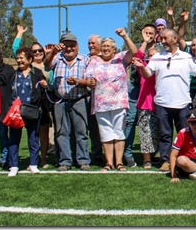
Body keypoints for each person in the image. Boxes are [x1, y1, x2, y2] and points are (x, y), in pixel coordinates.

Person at [132, 28, 196, 172]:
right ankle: (166, 160)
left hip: (182, 103)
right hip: (162, 103)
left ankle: (184, 159)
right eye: (162, 39)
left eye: (165, 38)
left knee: (184, 133)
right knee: (165, 134)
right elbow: (147, 75)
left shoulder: (185, 56)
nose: (162, 41)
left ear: (175, 39)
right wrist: (141, 67)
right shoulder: (157, 57)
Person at [85, 29, 137, 172]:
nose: (106, 48)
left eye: (109, 46)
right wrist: (90, 81)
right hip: (101, 104)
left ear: (114, 49)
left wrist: (125, 36)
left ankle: (119, 162)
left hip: (119, 102)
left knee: (119, 132)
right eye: (104, 46)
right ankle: (109, 163)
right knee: (106, 133)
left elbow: (134, 51)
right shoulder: (94, 61)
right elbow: (88, 77)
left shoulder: (121, 58)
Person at [44, 33, 91, 171]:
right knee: (61, 133)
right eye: (66, 46)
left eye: (72, 46)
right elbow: (46, 65)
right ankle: (64, 161)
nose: (69, 49)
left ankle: (82, 160)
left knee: (81, 132)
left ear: (77, 46)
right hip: (60, 101)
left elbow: (91, 80)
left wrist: (79, 82)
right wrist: (52, 52)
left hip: (79, 100)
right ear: (62, 46)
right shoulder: (56, 58)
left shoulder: (85, 60)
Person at [12, 24, 55, 169]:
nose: (37, 53)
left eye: (39, 51)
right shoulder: (25, 67)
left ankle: (42, 159)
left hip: (45, 103)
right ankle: (21, 162)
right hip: (29, 104)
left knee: (42, 132)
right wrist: (20, 33)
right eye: (34, 51)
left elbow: (52, 83)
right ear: (30, 56)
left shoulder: (48, 65)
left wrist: (50, 54)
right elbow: (15, 50)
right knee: (27, 133)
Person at [7, 47, 48, 176]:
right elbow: (9, 91)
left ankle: (33, 164)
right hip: (16, 111)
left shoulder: (37, 73)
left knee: (33, 137)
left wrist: (44, 85)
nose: (19, 60)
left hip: (32, 110)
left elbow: (42, 90)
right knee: (14, 138)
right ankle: (13, 166)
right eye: (17, 58)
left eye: (22, 58)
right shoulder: (13, 74)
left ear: (29, 59)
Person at [123, 22, 158, 168]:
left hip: (157, 94)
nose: (149, 35)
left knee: (158, 127)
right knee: (132, 122)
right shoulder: (139, 49)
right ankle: (129, 154)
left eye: (151, 33)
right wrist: (144, 41)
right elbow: (138, 57)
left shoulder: (160, 50)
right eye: (146, 33)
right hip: (138, 90)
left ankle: (158, 154)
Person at [134, 31, 159, 170]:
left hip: (160, 104)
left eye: (155, 56)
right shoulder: (143, 68)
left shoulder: (162, 69)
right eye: (150, 56)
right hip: (145, 104)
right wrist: (145, 42)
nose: (152, 58)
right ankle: (147, 160)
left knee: (158, 133)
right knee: (145, 133)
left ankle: (156, 156)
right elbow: (138, 56)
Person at [86, 34, 103, 165]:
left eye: (93, 43)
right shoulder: (85, 59)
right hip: (87, 97)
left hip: (103, 99)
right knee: (92, 128)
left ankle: (108, 154)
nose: (91, 45)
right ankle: (95, 154)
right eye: (89, 43)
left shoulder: (106, 58)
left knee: (102, 128)